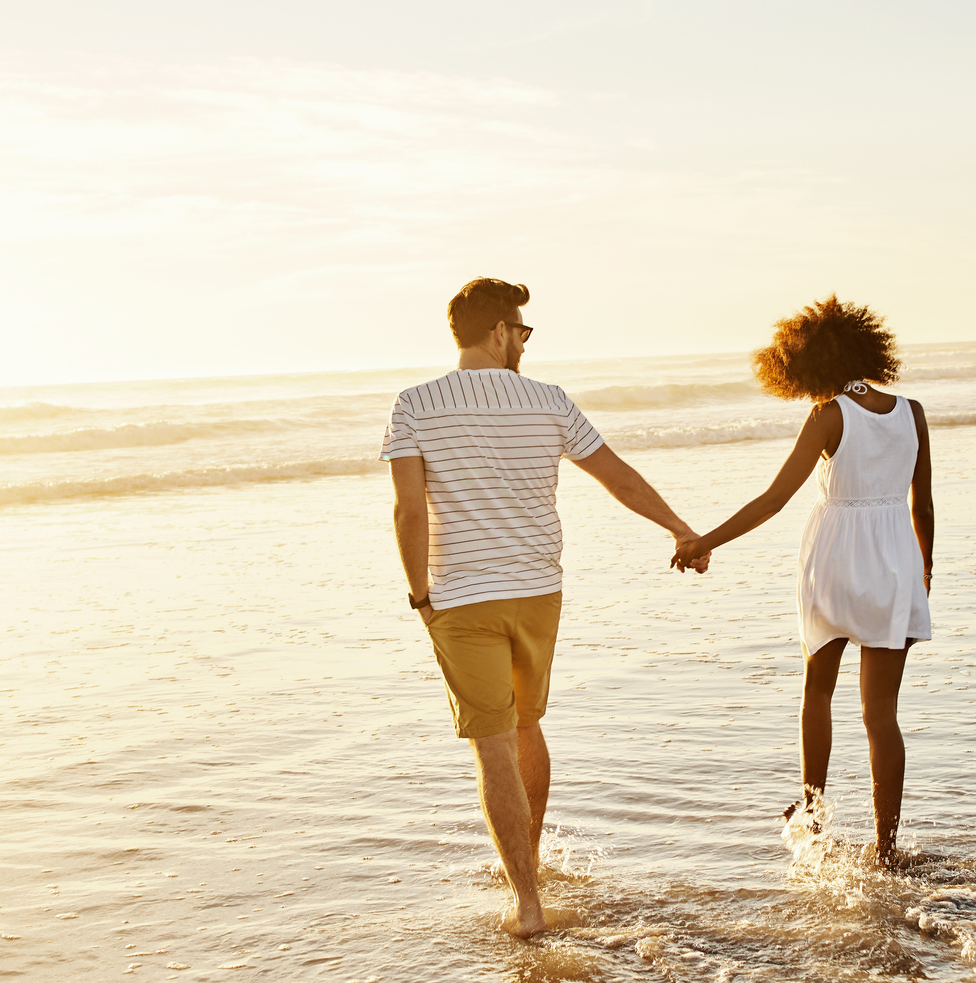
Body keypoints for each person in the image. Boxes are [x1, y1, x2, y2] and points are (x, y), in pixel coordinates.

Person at [382, 278, 708, 938]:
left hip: (461, 598)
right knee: (525, 724)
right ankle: (526, 862)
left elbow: (409, 507)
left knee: (492, 745)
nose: (524, 343)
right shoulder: (548, 401)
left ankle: (527, 903)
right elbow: (616, 474)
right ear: (500, 330)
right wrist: (678, 527)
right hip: (537, 592)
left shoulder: (414, 404)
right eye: (522, 331)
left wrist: (419, 593)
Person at [672, 296, 932, 867]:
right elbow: (924, 506)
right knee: (881, 715)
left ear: (803, 362)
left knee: (818, 688)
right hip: (896, 563)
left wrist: (704, 541)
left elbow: (773, 499)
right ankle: (886, 847)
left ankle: (812, 810)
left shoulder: (828, 414)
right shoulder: (911, 412)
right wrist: (922, 576)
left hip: (837, 558)